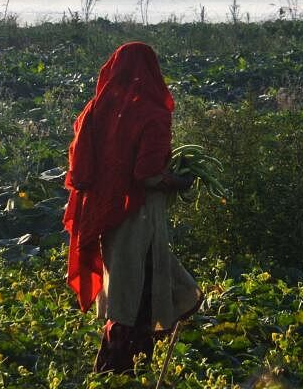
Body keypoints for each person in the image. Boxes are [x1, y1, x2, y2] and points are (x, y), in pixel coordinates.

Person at [63, 42, 202, 374]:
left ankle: (120, 368)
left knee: (127, 287)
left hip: (105, 215)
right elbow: (148, 175)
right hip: (137, 215)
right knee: (139, 293)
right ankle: (123, 369)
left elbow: (83, 167)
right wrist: (180, 181)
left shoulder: (95, 109)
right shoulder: (152, 113)